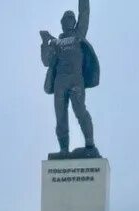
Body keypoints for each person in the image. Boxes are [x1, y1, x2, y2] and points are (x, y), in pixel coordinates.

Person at [40, 0, 99, 158]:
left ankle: (90, 144)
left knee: (80, 110)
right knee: (60, 117)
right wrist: (45, 43)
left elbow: (84, 13)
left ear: (74, 22)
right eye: (66, 19)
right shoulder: (56, 42)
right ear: (62, 23)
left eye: (71, 18)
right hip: (60, 81)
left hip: (76, 80)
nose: (69, 21)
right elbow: (47, 61)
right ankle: (64, 150)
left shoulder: (79, 35)